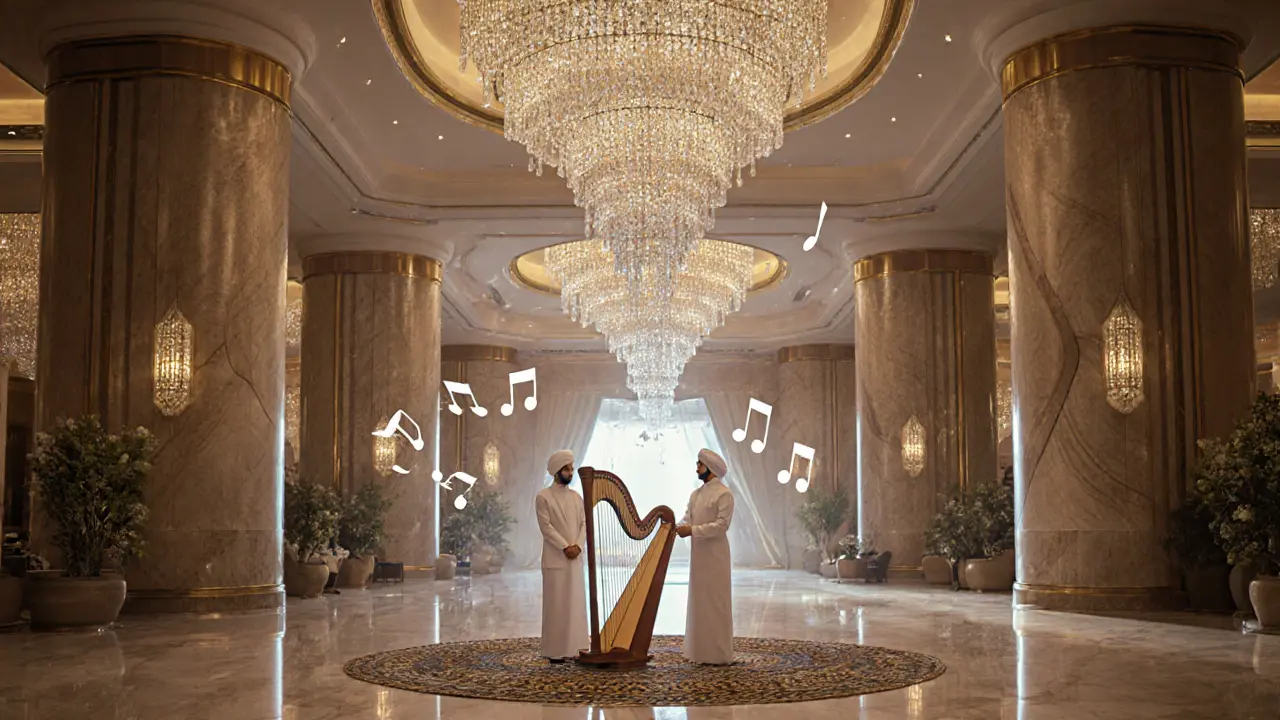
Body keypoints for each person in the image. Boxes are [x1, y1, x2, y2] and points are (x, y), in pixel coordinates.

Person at [675, 448, 735, 665]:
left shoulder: (724, 494)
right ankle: (699, 652)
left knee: (716, 603)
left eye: (700, 464)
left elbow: (722, 526)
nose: (697, 468)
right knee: (699, 602)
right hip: (699, 556)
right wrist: (676, 526)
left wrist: (692, 531)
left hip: (716, 557)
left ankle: (718, 655)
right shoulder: (696, 494)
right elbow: (686, 518)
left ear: (710, 468)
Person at [535, 449, 589, 663]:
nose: (571, 472)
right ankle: (555, 651)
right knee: (556, 606)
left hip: (575, 559)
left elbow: (584, 524)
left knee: (574, 604)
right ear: (557, 471)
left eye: (572, 468)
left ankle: (576, 647)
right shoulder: (543, 497)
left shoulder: (577, 497)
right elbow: (546, 527)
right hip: (556, 559)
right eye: (567, 469)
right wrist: (565, 546)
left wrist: (578, 546)